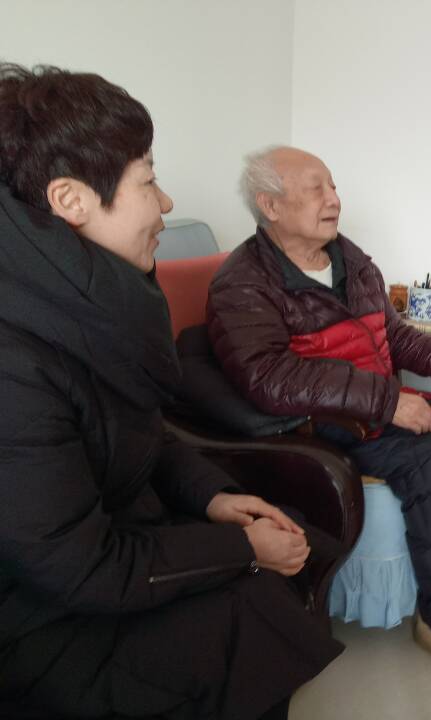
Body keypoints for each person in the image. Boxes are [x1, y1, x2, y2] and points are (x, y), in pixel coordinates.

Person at [0, 64, 342, 720]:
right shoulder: (16, 361)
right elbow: (76, 566)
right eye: (148, 179)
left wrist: (214, 498)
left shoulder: (87, 303)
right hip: (37, 620)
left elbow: (143, 432)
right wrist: (241, 549)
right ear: (71, 200)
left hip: (107, 554)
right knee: (247, 617)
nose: (166, 202)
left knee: (289, 550)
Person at [205, 145, 431, 690]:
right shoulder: (242, 282)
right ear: (270, 205)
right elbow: (270, 378)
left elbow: (392, 336)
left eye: (333, 186)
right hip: (320, 425)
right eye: (317, 188)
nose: (334, 199)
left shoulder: (349, 259)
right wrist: (386, 401)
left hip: (375, 407)